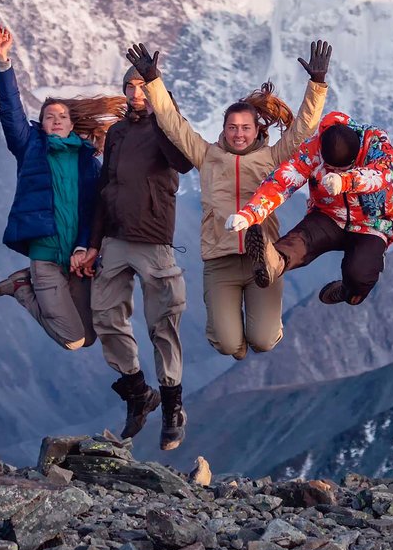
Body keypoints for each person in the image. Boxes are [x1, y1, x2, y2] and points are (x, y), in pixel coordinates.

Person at [125, 40, 329, 360]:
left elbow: (304, 130)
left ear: (256, 129)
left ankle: (264, 323)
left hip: (264, 260)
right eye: (232, 128)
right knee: (230, 346)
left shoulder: (273, 158)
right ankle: (227, 334)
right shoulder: (206, 156)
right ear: (223, 129)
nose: (238, 134)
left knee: (262, 341)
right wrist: (152, 80)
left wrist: (317, 85)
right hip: (220, 262)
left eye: (245, 128)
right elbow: (171, 122)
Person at [78, 56, 195, 450]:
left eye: (143, 87)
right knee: (106, 315)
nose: (135, 93)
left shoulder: (169, 126)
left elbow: (183, 161)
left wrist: (163, 107)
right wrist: (93, 243)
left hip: (153, 240)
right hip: (114, 237)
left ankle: (172, 407)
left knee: (163, 323)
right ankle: (136, 392)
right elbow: (104, 190)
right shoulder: (117, 134)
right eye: (130, 87)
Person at [0, 27, 124, 350]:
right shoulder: (30, 147)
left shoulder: (87, 160)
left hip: (75, 260)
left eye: (62, 116)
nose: (57, 120)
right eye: (50, 117)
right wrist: (3, 62)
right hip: (46, 258)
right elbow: (11, 113)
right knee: (72, 340)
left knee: (90, 337)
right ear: (42, 124)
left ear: (72, 124)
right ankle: (23, 286)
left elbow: (94, 211)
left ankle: (32, 282)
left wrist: (82, 247)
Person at [225, 108, 393, 307]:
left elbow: (388, 169)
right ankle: (272, 262)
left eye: (343, 167)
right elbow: (282, 182)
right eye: (331, 167)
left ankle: (350, 290)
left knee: (359, 274)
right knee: (300, 240)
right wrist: (250, 214)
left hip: (372, 222)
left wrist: (346, 180)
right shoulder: (312, 150)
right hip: (328, 215)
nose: (335, 171)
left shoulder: (374, 141)